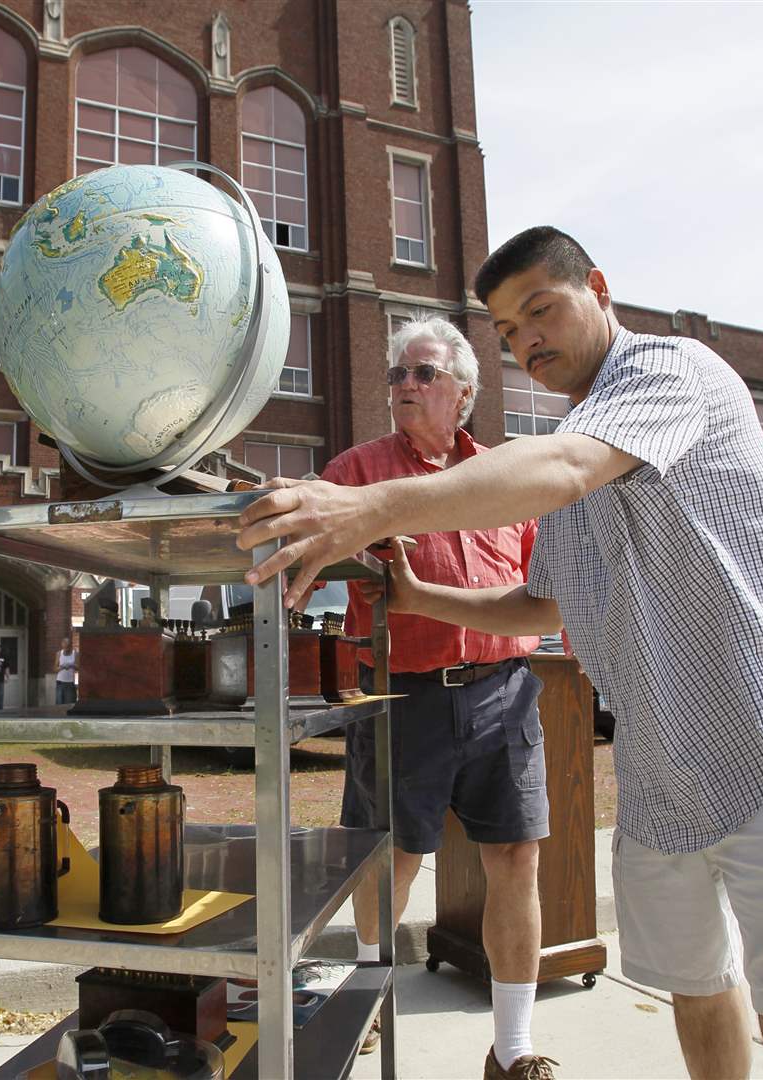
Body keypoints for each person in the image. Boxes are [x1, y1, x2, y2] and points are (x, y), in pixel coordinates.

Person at [237, 226, 763, 1080]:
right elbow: (543, 602)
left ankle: (510, 1043)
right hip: (657, 768)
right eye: (509, 330)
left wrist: (371, 509)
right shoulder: (561, 449)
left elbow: (565, 467)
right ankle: (375, 992)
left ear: (598, 288)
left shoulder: (665, 373)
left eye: (540, 311)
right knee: (701, 989)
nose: (527, 341)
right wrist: (418, 597)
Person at [319, 316, 555, 1078]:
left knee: (516, 858)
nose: (405, 386)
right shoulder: (359, 471)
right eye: (397, 374)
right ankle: (362, 1007)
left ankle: (513, 1048)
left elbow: (539, 585)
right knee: (391, 860)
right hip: (402, 696)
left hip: (504, 692)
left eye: (423, 373)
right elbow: (302, 525)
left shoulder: (506, 477)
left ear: (465, 393)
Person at [55, 635, 79, 705]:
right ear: (62, 645)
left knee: (69, 703)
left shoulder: (75, 653)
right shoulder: (59, 654)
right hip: (60, 682)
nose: (66, 649)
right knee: (59, 703)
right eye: (64, 646)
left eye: (68, 646)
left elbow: (78, 667)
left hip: (70, 682)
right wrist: (62, 667)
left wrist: (72, 665)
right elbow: (55, 669)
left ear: (70, 646)